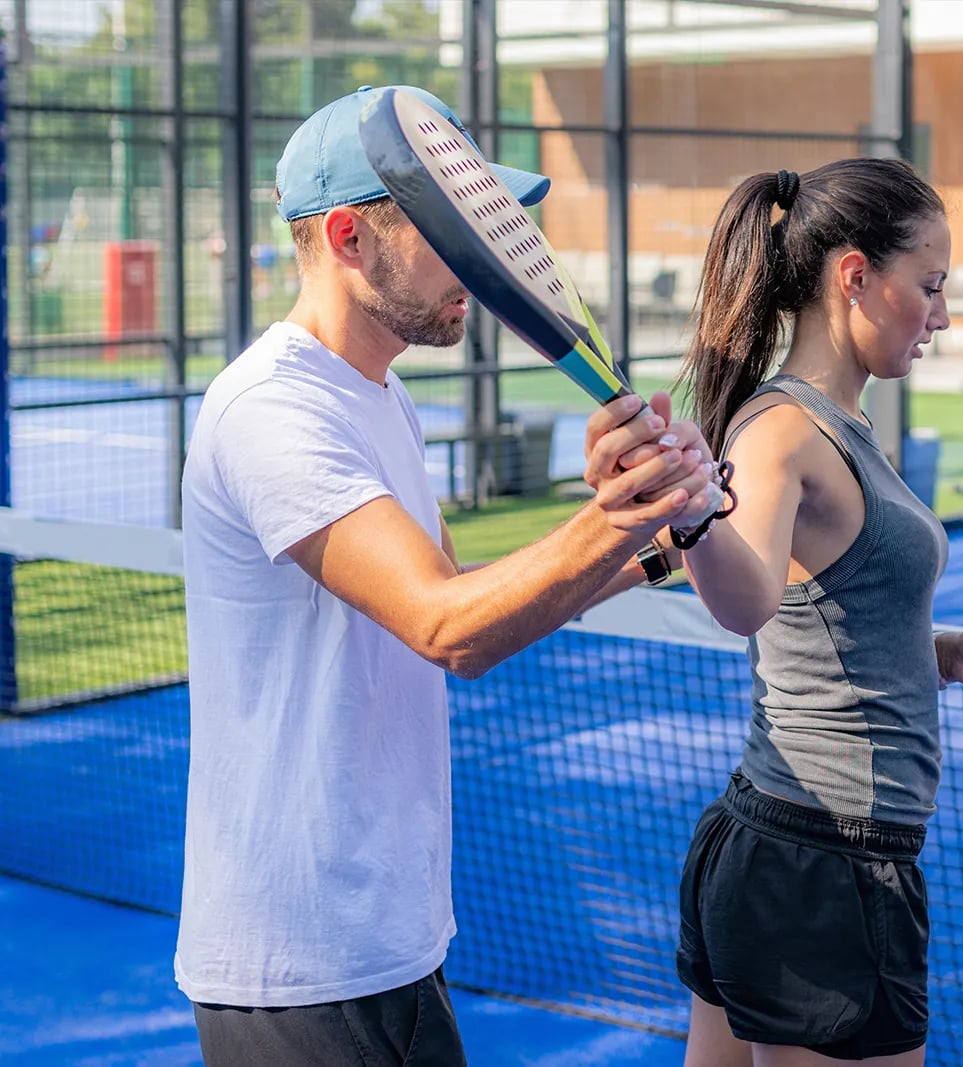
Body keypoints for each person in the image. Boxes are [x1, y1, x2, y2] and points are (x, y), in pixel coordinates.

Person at [176, 84, 722, 1066]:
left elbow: (458, 591)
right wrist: (620, 510)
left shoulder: (378, 399)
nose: (483, 256)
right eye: (449, 231)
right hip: (302, 959)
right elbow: (446, 627)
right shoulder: (273, 410)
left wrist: (654, 544)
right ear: (347, 236)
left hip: (390, 936)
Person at [660, 159, 963, 1066]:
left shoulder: (834, 422)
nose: (944, 315)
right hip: (824, 866)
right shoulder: (784, 433)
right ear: (853, 278)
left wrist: (946, 652)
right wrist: (690, 516)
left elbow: (823, 607)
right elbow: (747, 598)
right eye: (930, 286)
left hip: (784, 847)